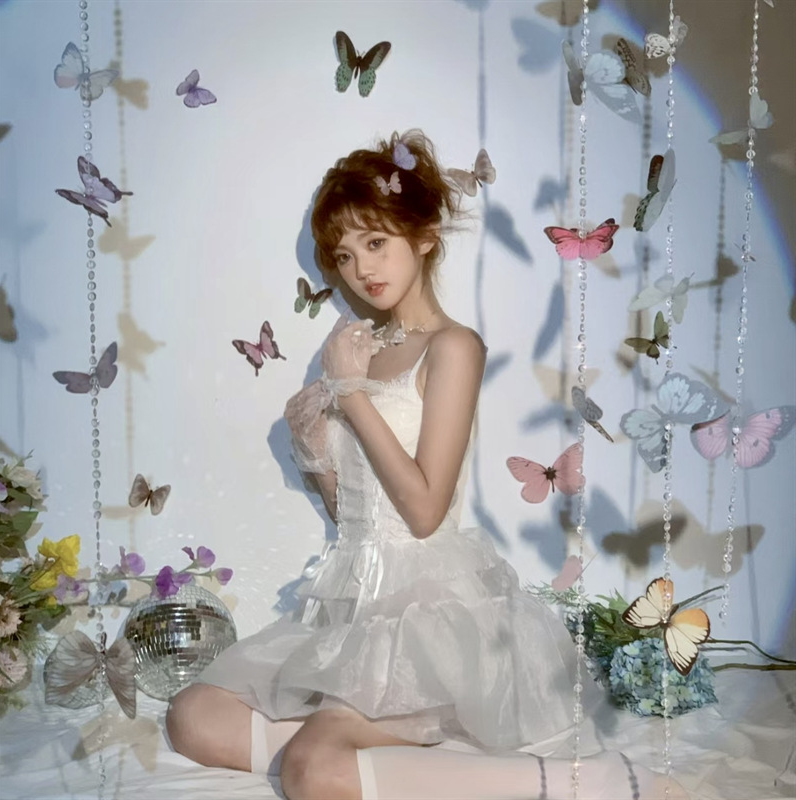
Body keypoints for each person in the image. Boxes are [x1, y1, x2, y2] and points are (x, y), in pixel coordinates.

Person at [166, 130, 689, 800]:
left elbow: (422, 512)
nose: (361, 269)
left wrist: (351, 396)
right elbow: (357, 521)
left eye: (375, 242)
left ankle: (588, 783)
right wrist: (315, 454)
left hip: (427, 614)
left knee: (310, 770)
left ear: (424, 236)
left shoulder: (453, 346)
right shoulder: (362, 348)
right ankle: (369, 760)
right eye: (344, 255)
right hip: (355, 604)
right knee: (194, 717)